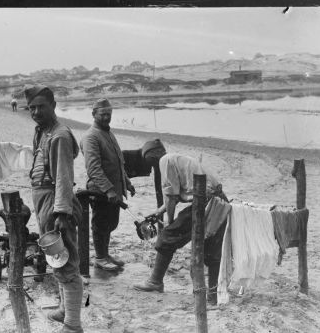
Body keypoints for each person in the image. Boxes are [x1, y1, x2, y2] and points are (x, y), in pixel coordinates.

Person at [24, 84, 85, 333]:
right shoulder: (42, 132)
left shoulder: (59, 135)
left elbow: (63, 177)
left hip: (55, 202)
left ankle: (73, 328)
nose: (36, 112)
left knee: (66, 261)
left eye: (41, 107)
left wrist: (62, 211)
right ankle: (64, 309)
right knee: (55, 257)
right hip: (43, 200)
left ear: (54, 106)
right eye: (32, 108)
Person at [133, 146, 228, 304]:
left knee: (167, 238)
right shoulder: (176, 158)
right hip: (220, 202)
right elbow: (174, 196)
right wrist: (158, 212)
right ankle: (213, 296)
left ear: (152, 156)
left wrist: (169, 223)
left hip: (205, 202)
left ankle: (155, 282)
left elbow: (171, 198)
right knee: (212, 251)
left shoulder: (165, 161)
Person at [80, 98, 135, 271]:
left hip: (114, 191)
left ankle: (105, 253)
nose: (106, 118)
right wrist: (109, 190)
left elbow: (119, 163)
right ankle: (100, 257)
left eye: (109, 114)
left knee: (111, 224)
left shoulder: (108, 133)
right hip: (100, 191)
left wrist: (127, 183)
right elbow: (93, 169)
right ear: (94, 114)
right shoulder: (91, 137)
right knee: (101, 224)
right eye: (103, 114)